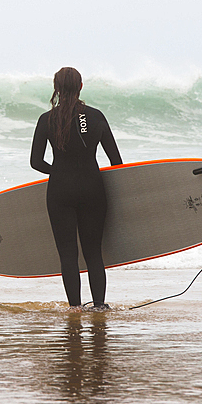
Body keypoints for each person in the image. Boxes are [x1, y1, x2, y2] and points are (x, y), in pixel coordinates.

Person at [30, 67, 122, 311]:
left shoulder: (46, 119)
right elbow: (116, 162)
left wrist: (60, 172)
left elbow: (36, 162)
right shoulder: (96, 116)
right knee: (93, 252)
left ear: (56, 88)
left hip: (60, 191)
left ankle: (75, 309)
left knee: (68, 254)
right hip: (93, 188)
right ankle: (100, 306)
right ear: (81, 86)